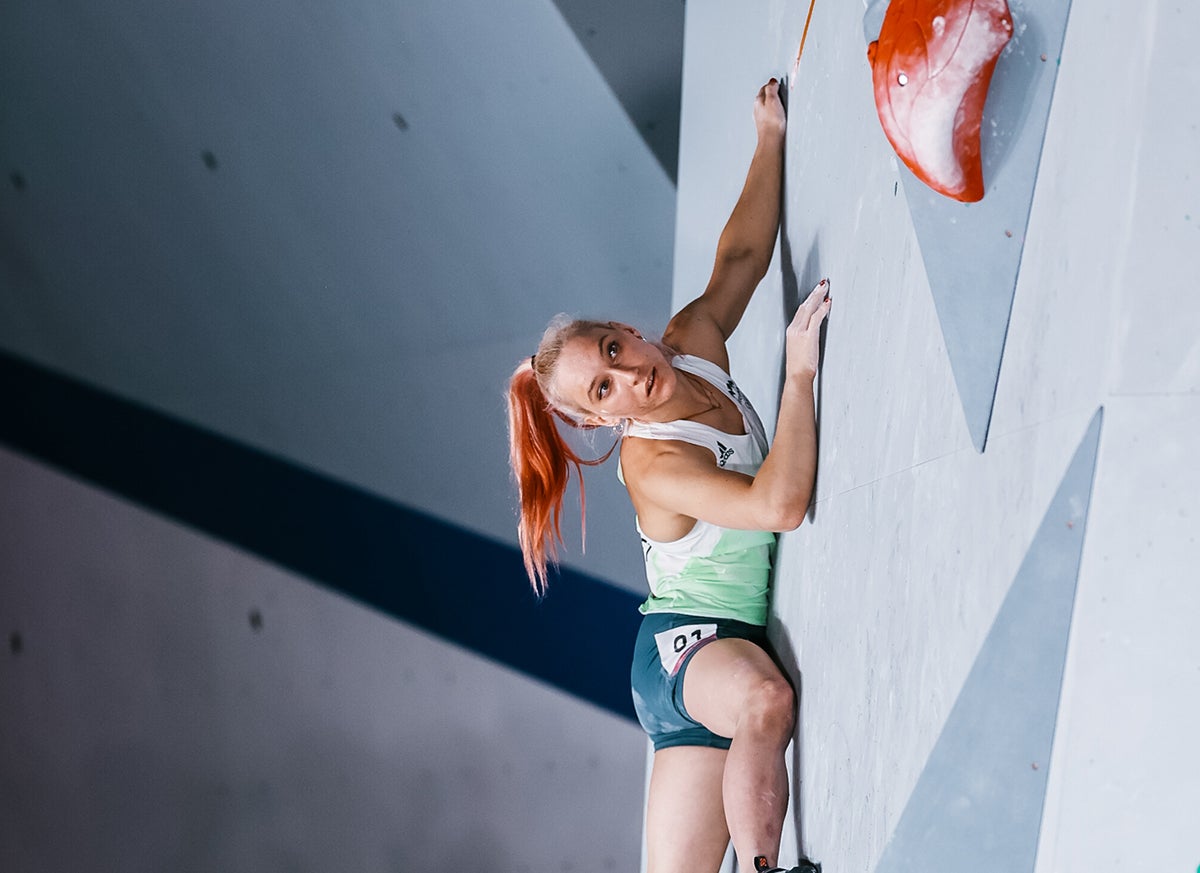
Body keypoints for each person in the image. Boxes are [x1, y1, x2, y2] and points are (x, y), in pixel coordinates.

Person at [506, 78, 829, 873]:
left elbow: (744, 258)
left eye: (614, 354)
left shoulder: (691, 343)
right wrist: (796, 378)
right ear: (601, 419)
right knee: (765, 701)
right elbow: (780, 504)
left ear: (627, 330)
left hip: (722, 645)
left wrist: (768, 140)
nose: (629, 377)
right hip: (687, 654)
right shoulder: (651, 460)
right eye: (603, 390)